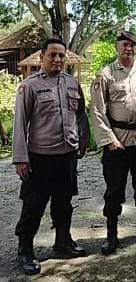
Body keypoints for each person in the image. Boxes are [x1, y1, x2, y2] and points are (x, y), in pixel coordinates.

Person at [12, 38, 90, 275]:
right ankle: (25, 250)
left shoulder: (72, 84)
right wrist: (20, 158)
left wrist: (83, 142)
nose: (57, 59)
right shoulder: (30, 86)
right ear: (41, 58)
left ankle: (63, 241)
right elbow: (20, 123)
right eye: (52, 55)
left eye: (61, 55)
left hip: (67, 156)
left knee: (64, 202)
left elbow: (81, 115)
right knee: (33, 205)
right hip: (40, 157)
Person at [90, 30, 136, 255]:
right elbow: (97, 111)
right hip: (118, 142)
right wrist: (109, 139)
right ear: (117, 47)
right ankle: (111, 235)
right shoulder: (106, 74)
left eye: (133, 45)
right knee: (114, 189)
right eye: (124, 44)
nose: (128, 49)